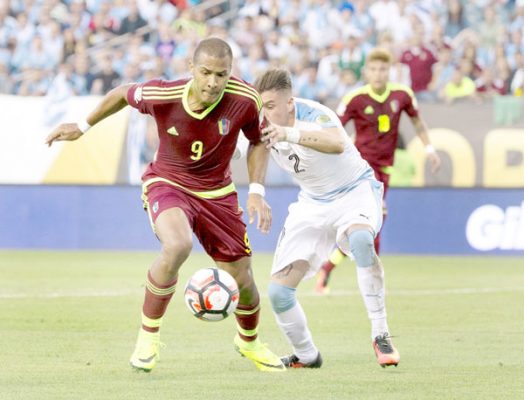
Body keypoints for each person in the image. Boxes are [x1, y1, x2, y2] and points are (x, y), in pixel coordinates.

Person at [45, 37, 285, 373]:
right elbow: (121, 94)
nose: (213, 82)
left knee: (242, 279)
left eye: (221, 74)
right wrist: (83, 127)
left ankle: (249, 342)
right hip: (167, 183)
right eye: (206, 73)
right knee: (177, 245)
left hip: (217, 193)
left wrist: (257, 189)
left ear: (231, 73)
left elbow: (259, 140)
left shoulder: (245, 99)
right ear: (191, 69)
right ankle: (148, 338)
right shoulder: (163, 94)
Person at [252, 67, 399, 368]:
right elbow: (257, 147)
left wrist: (288, 133)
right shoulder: (262, 123)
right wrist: (257, 191)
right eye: (261, 107)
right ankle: (307, 356)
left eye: (270, 106)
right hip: (312, 203)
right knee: (279, 293)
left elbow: (337, 143)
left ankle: (380, 333)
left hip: (354, 191)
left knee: (360, 239)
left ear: (289, 102)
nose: (264, 114)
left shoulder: (314, 113)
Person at [315, 48, 441, 294]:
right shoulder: (355, 98)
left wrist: (430, 149)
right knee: (377, 218)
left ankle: (328, 266)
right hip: (361, 168)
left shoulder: (402, 95)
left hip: (386, 169)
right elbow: (334, 127)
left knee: (365, 226)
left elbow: (417, 120)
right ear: (366, 71)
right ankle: (372, 276)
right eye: (373, 69)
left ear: (390, 70)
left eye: (383, 69)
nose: (378, 74)